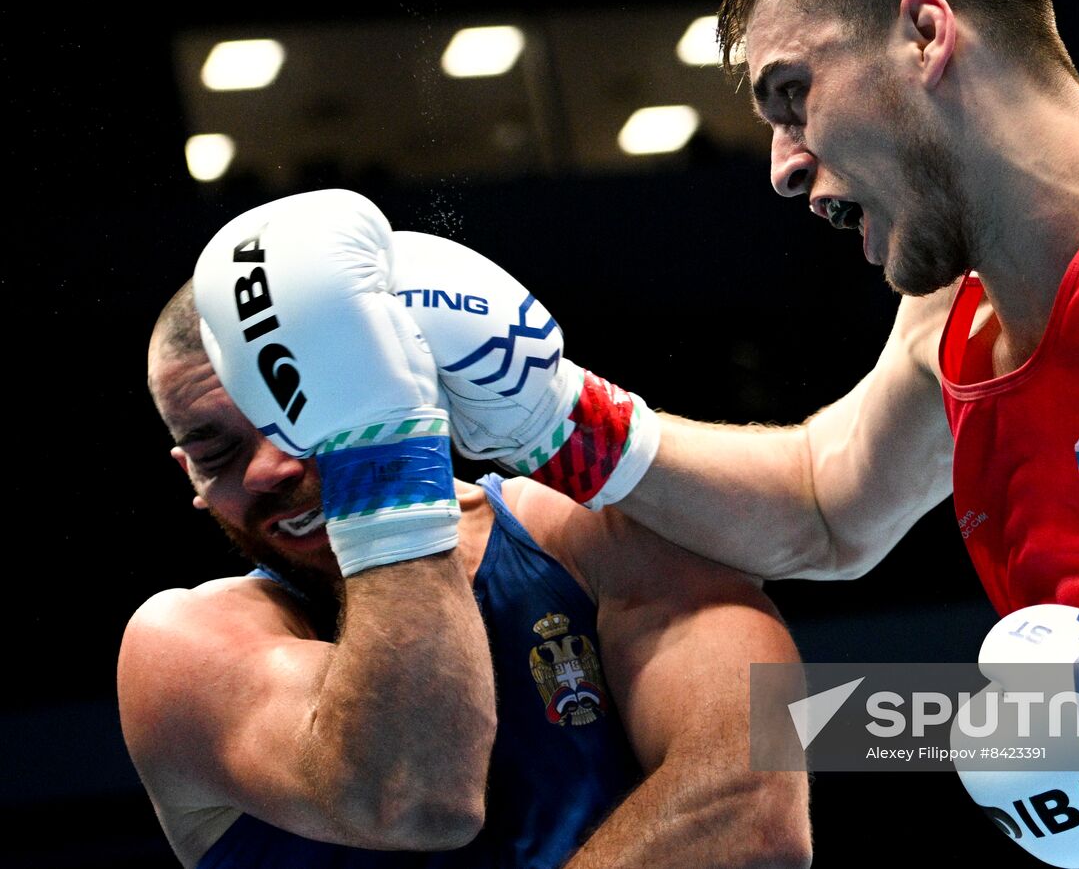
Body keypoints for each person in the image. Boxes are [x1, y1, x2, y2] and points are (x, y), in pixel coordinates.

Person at [406, 0, 1079, 867]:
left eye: (792, 95)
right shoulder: (952, 315)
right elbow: (819, 509)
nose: (783, 167)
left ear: (925, 36)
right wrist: (552, 418)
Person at [120, 236, 812, 866]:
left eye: (297, 409)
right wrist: (383, 457)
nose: (269, 467)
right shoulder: (177, 650)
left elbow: (755, 816)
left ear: (391, 378)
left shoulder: (597, 537)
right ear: (193, 480)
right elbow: (417, 796)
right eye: (218, 449)